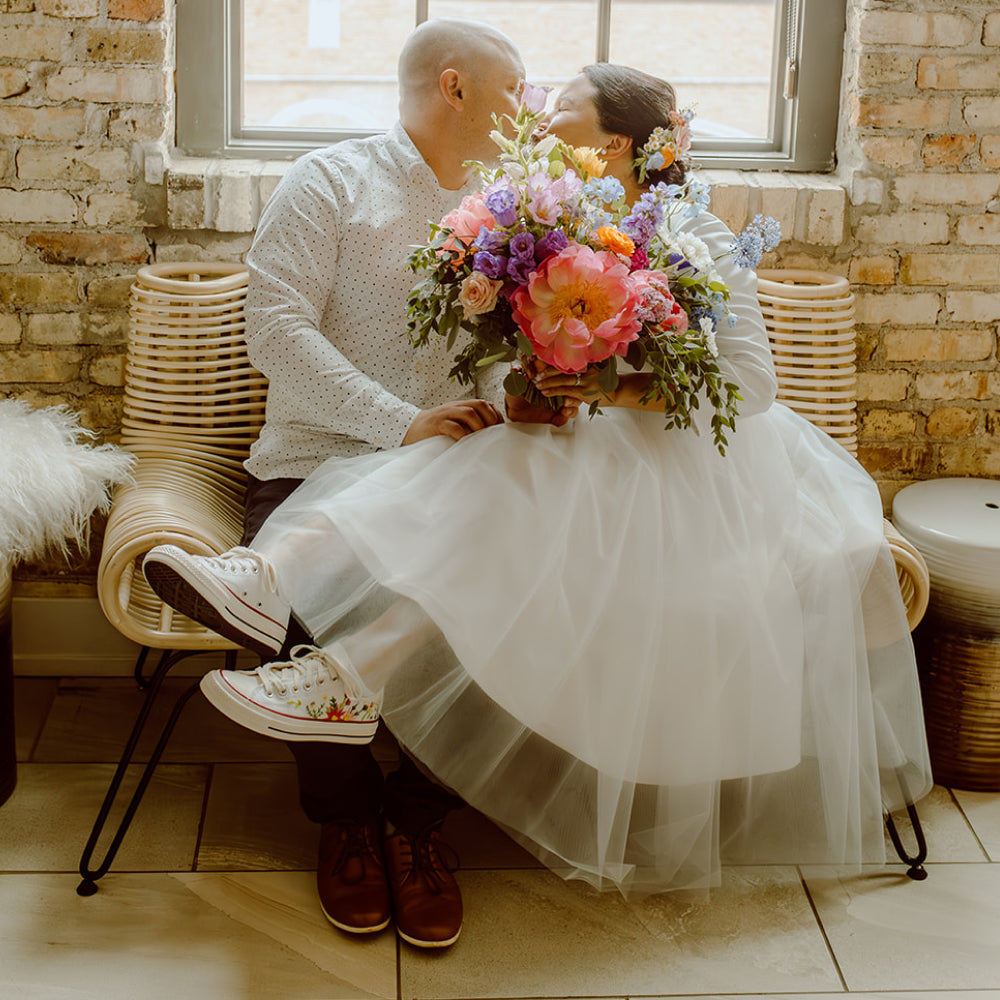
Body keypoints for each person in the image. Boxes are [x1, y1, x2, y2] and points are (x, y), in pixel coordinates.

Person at [144, 64, 932, 902]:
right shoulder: (554, 220)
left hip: (696, 471)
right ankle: (300, 616)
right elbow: (522, 363)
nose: (541, 112)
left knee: (492, 476)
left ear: (617, 140)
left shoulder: (693, 234)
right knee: (489, 462)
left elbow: (752, 386)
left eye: (562, 104)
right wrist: (538, 392)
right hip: (586, 454)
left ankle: (306, 620)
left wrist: (612, 390)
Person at [143, 18, 533, 950]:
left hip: (454, 478)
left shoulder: (515, 211)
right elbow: (275, 331)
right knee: (314, 607)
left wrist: (515, 399)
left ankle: (418, 824)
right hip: (312, 466)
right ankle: (348, 822)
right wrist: (396, 422)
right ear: (455, 87)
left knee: (510, 593)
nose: (530, 107)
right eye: (517, 89)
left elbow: (500, 357)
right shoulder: (329, 182)